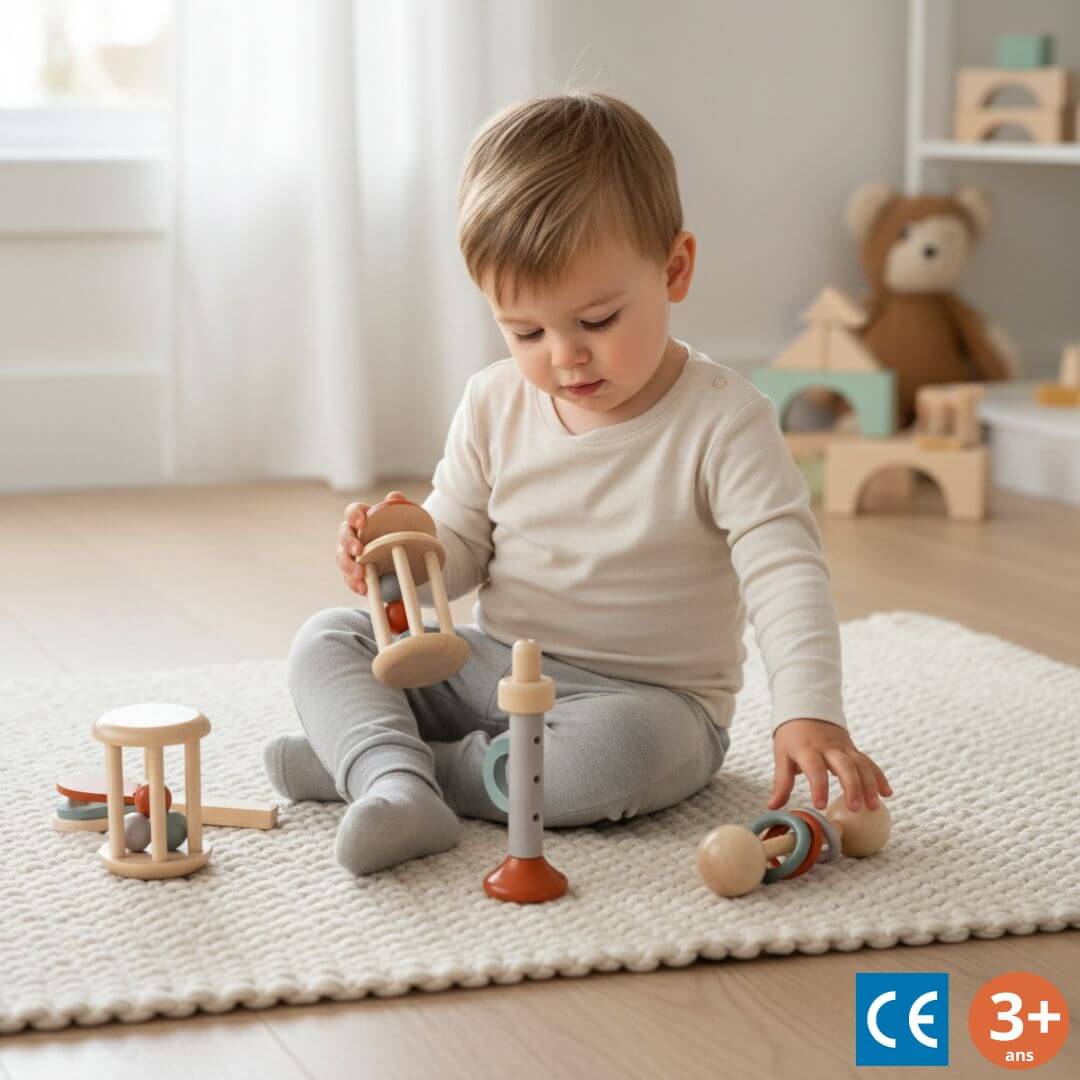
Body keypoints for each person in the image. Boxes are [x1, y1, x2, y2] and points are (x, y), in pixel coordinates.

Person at [263, 91, 892, 876]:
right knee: (329, 639)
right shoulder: (494, 401)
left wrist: (808, 711)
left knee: (615, 761)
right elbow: (459, 550)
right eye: (526, 331)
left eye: (596, 321)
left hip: (647, 705)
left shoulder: (726, 423)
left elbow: (785, 570)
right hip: (499, 669)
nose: (564, 356)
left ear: (675, 269)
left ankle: (384, 764)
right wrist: (408, 549)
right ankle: (394, 783)